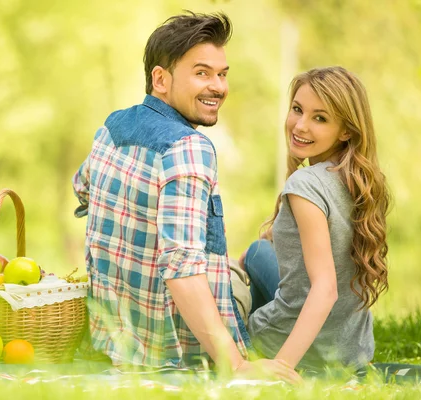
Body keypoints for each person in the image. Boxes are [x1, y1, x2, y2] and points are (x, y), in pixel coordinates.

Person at [72, 11, 300, 383]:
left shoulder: (112, 127)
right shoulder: (189, 148)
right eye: (202, 73)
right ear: (160, 79)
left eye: (222, 74)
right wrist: (238, 365)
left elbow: (82, 187)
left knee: (247, 258)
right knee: (265, 257)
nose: (218, 87)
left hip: (117, 340)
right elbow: (181, 270)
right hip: (180, 348)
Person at [239, 66, 391, 373]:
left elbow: (326, 288)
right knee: (257, 251)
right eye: (298, 110)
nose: (300, 126)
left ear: (346, 130)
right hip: (351, 352)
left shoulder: (305, 184)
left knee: (227, 278)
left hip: (291, 346)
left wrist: (282, 365)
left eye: (320, 118)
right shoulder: (361, 181)